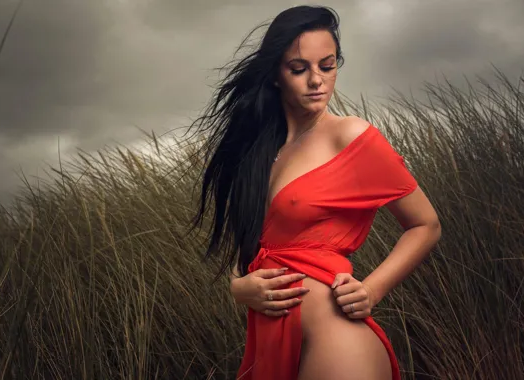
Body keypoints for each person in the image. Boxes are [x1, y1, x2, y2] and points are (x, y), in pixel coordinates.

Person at [189, 5, 441, 380]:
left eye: (327, 65)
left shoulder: (351, 136)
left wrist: (372, 289)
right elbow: (257, 251)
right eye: (299, 68)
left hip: (337, 343)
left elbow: (426, 224)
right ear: (276, 73)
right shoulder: (259, 153)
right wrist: (240, 289)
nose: (316, 81)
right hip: (273, 343)